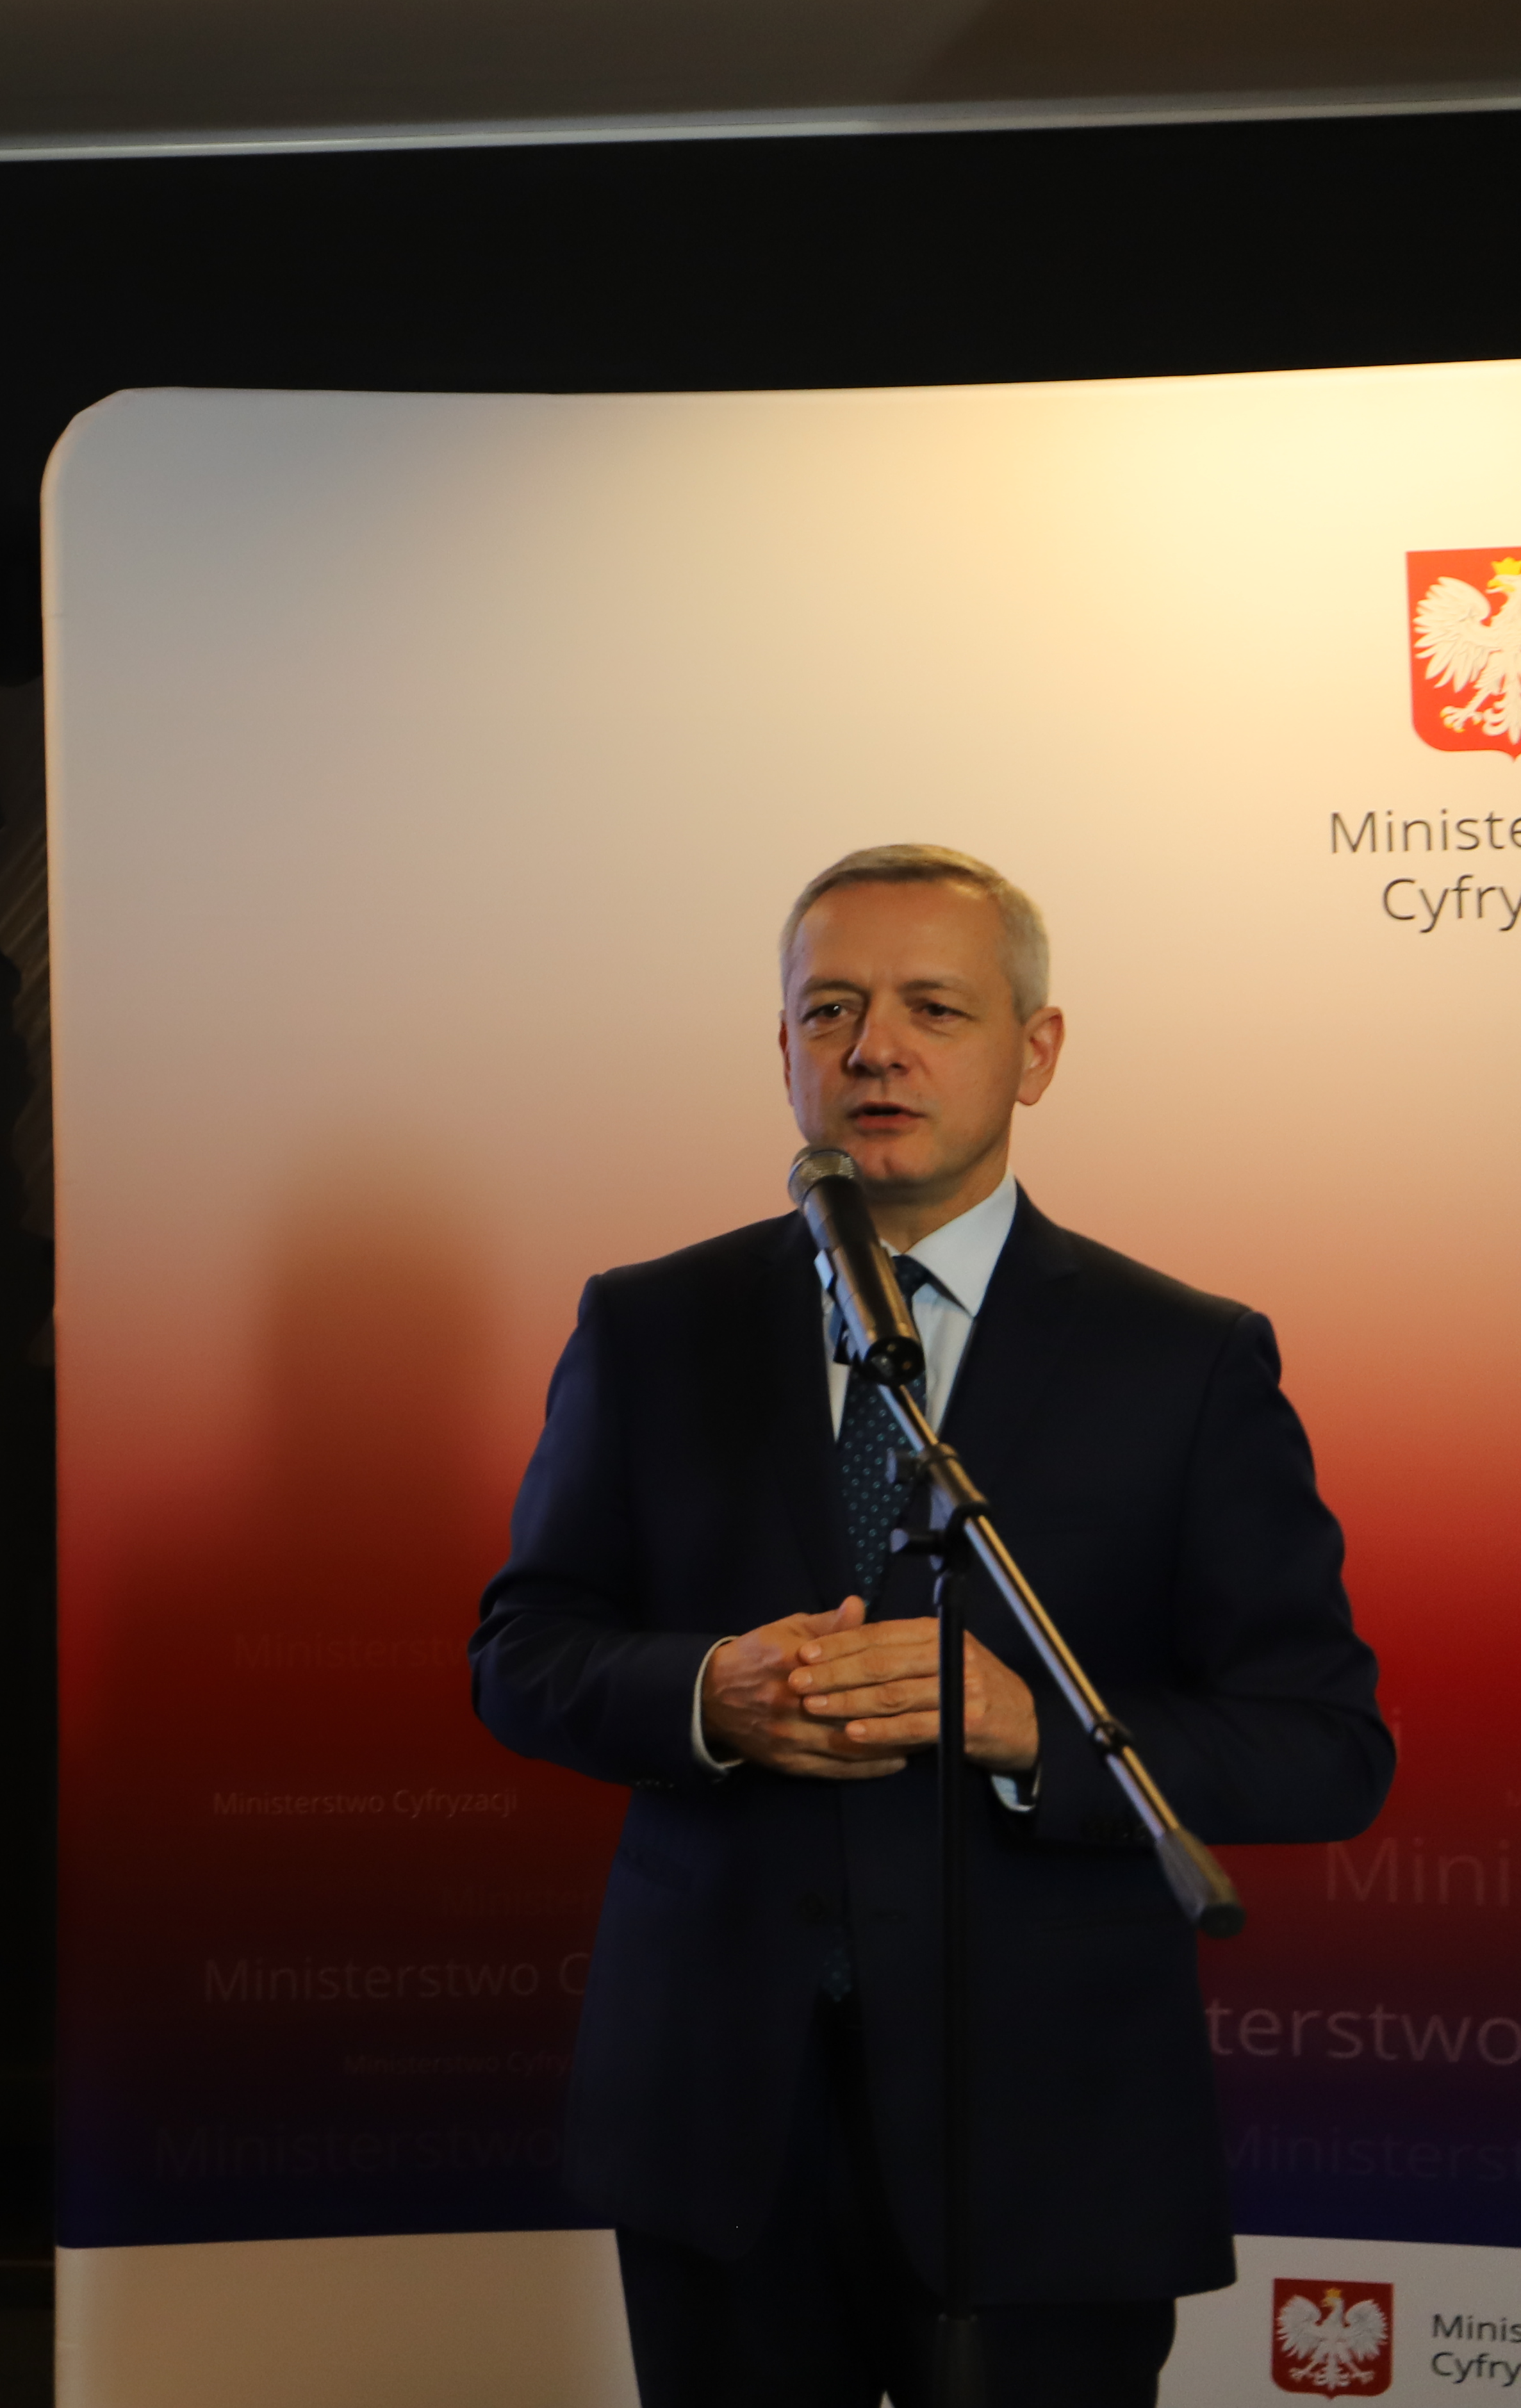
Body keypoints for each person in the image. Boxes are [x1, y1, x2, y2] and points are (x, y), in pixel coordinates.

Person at [470, 844, 1388, 2408]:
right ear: (783, 1048)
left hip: (1052, 2131)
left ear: (1036, 1049)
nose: (873, 1048)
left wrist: (1035, 1729)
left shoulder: (1184, 1359)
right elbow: (523, 1651)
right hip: (722, 2123)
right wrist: (705, 1691)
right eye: (830, 1008)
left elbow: (1324, 1747)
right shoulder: (649, 1324)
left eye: (933, 1008)